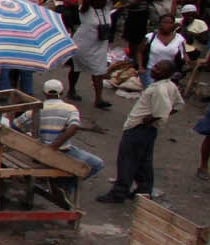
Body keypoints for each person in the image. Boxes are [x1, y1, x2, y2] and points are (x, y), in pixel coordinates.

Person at [101, 57, 183, 203]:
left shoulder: (159, 89)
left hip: (139, 128)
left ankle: (119, 192)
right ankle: (143, 192)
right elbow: (177, 105)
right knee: (143, 161)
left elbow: (162, 111)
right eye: (156, 66)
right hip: (148, 131)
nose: (155, 69)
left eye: (159, 68)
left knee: (127, 160)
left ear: (167, 73)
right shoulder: (170, 86)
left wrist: (151, 118)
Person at [26, 79, 104, 184]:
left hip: (39, 151)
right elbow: (75, 126)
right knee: (97, 164)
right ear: (61, 92)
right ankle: (66, 184)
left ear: (44, 93)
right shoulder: (70, 109)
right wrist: (53, 146)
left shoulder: (34, 110)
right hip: (62, 151)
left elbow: (15, 125)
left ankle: (61, 181)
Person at [144, 12, 188, 79]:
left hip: (169, 73)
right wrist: (141, 67)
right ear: (159, 23)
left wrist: (187, 63)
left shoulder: (179, 38)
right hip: (151, 71)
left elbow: (183, 54)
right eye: (164, 22)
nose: (167, 25)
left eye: (170, 23)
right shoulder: (150, 37)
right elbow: (139, 52)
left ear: (173, 24)